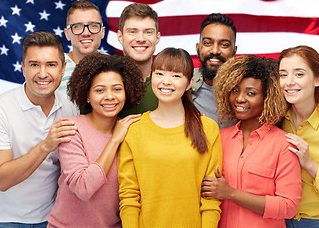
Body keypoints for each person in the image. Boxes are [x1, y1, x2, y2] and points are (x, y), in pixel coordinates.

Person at [118, 48, 222, 227]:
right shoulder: (135, 130)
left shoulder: (208, 128)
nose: (166, 82)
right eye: (159, 73)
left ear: (189, 83)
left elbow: (211, 198)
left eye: (176, 76)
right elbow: (129, 195)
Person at [0, 31, 79, 228]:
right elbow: (1, 180)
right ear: (23, 68)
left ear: (63, 69)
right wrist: (46, 145)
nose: (43, 73)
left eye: (51, 65)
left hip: (50, 218)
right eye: (34, 64)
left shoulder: (71, 107)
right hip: (2, 219)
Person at [202, 55, 302, 228]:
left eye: (251, 93)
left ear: (268, 98)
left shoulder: (284, 145)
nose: (240, 99)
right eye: (235, 90)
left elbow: (289, 206)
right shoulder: (219, 138)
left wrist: (231, 193)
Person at [47, 53, 144, 227]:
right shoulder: (72, 129)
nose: (109, 96)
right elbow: (83, 188)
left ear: (127, 92)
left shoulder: (132, 132)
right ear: (86, 95)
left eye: (117, 89)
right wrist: (114, 141)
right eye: (100, 90)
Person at [278, 45, 319, 228]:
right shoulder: (275, 120)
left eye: (299, 74)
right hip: (279, 220)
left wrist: (309, 164)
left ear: (317, 79)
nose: (289, 82)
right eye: (283, 75)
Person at [191, 13, 238, 128]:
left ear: (234, 51)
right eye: (207, 43)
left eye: (224, 45)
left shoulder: (245, 88)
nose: (215, 50)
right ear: (198, 48)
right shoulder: (182, 82)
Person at [117, 3, 160, 118]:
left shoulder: (170, 82)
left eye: (148, 32)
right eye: (132, 32)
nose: (141, 39)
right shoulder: (104, 79)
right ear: (120, 37)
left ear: (157, 38)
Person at [58, 0, 105, 94]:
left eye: (93, 26)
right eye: (77, 26)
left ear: (102, 32)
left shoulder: (115, 66)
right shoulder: (53, 69)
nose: (86, 33)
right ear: (67, 34)